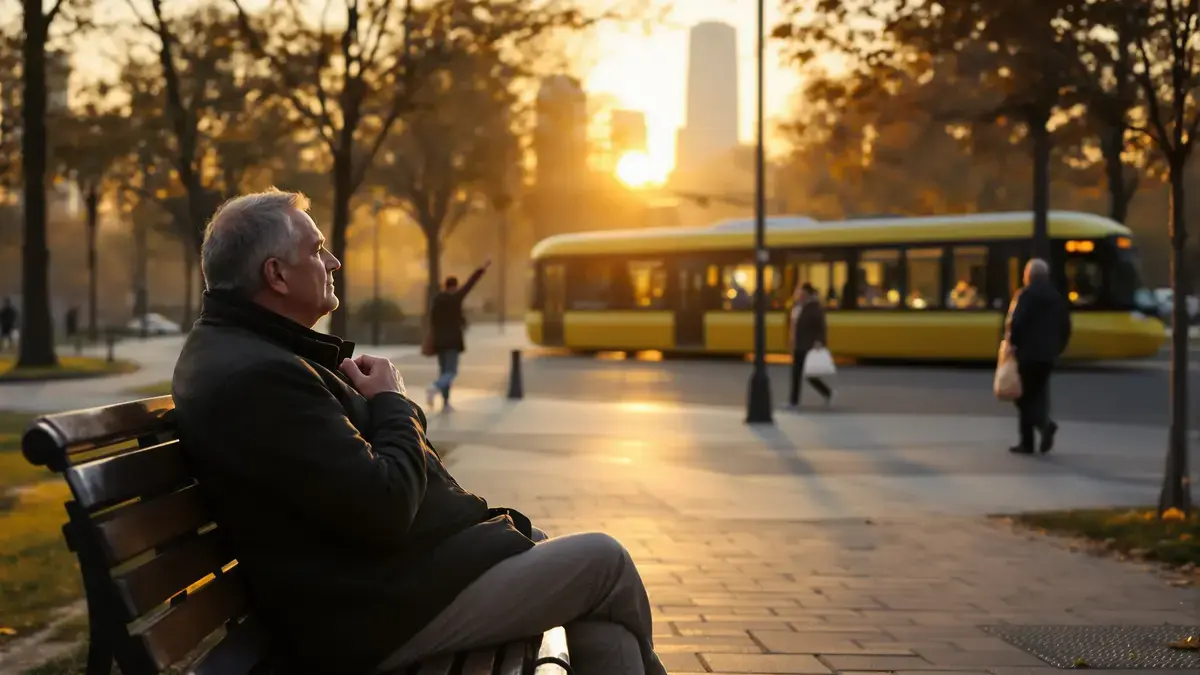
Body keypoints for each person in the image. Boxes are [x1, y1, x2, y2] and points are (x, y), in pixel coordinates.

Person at [171, 189, 667, 675]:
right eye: (317, 250)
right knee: (605, 561)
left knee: (605, 631)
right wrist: (393, 401)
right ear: (276, 275)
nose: (335, 261)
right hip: (377, 616)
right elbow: (383, 506)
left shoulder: (250, 353)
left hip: (395, 585)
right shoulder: (259, 377)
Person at [1004, 258, 1072, 454]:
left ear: (1028, 276)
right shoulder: (1056, 297)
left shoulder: (1024, 295)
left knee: (1022, 397)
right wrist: (1058, 348)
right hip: (1047, 355)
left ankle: (1035, 434)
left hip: (1027, 354)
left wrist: (1013, 344)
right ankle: (1042, 433)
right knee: (1040, 395)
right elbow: (1066, 327)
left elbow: (1016, 323)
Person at [425, 262, 489, 412]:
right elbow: (470, 284)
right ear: (454, 287)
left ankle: (445, 404)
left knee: (444, 372)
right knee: (451, 372)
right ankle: (434, 387)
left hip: (439, 341)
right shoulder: (455, 298)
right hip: (452, 341)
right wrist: (482, 268)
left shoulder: (437, 300)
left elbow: (432, 321)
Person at [786, 282, 834, 409]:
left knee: (807, 374)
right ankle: (794, 401)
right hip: (798, 344)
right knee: (798, 374)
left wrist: (819, 341)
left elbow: (821, 326)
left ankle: (826, 392)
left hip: (807, 345)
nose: (799, 294)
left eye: (801, 292)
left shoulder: (814, 307)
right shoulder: (796, 307)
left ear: (807, 294)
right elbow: (793, 326)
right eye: (798, 292)